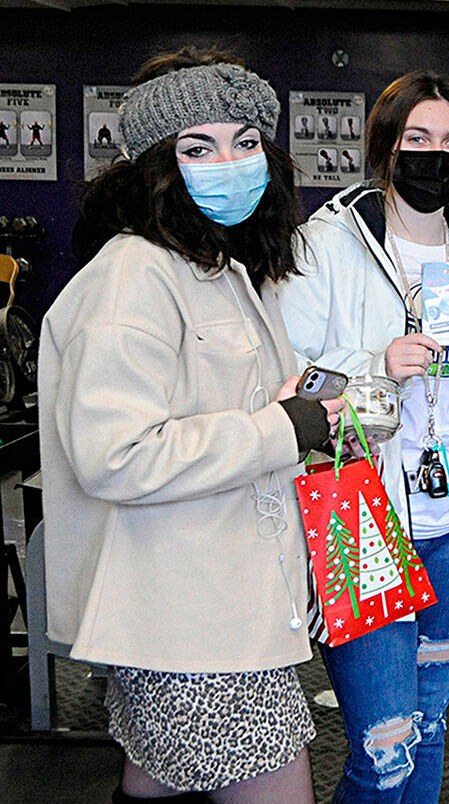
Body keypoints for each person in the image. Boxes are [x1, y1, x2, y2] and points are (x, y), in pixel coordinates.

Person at [40, 48, 343, 804]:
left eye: (245, 142)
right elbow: (115, 455)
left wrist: (304, 415)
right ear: (155, 166)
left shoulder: (221, 264)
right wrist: (282, 427)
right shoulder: (134, 272)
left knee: (157, 780)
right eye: (198, 147)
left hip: (219, 602)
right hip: (189, 618)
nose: (229, 163)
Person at [277, 69, 449, 803]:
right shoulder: (325, 244)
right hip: (359, 514)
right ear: (385, 145)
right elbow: (287, 378)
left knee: (428, 727)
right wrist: (373, 365)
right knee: (383, 750)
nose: (435, 154)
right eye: (417, 137)